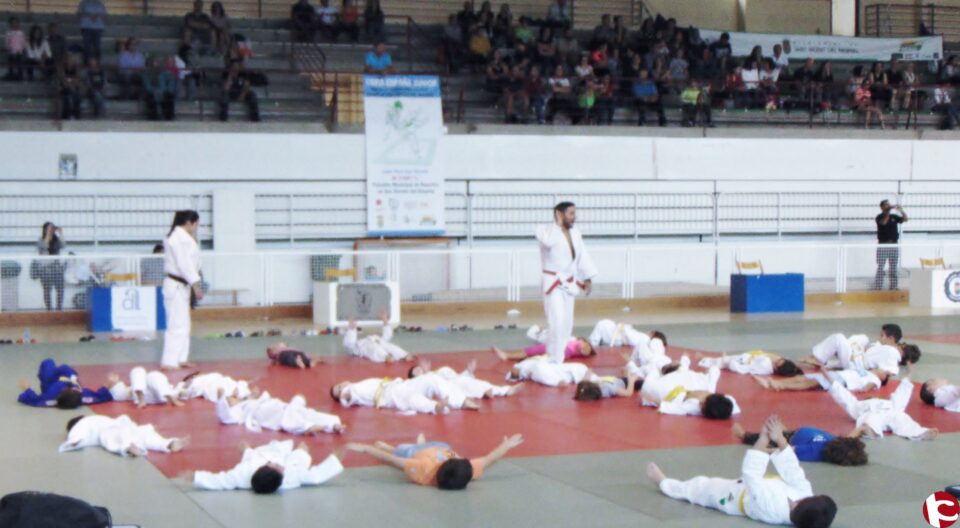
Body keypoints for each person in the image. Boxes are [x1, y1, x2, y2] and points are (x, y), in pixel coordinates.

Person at [647, 416, 838, 527]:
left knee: (700, 487)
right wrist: (779, 439)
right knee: (705, 484)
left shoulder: (772, 509)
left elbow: (752, 475)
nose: (801, 498)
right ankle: (668, 484)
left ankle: (665, 484)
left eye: (800, 503)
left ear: (798, 511)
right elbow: (793, 471)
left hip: (732, 498)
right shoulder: (805, 496)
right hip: (756, 484)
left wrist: (763, 439)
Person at [347, 433, 524, 490]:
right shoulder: (467, 471)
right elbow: (490, 459)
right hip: (442, 446)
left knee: (400, 450)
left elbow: (393, 461)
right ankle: (423, 442)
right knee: (438, 445)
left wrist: (367, 449)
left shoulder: (423, 470)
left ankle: (392, 445)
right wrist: (506, 445)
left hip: (417, 452)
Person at [538, 202, 597, 364]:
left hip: (570, 283)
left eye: (574, 213)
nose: (574, 217)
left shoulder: (576, 233)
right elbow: (549, 242)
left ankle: (558, 356)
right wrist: (557, 225)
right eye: (571, 213)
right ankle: (553, 359)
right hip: (553, 283)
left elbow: (582, 255)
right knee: (556, 321)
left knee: (566, 324)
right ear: (559, 214)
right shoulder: (544, 231)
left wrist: (587, 277)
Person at [189, 439, 343, 493]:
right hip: (290, 460)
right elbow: (316, 476)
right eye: (278, 468)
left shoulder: (242, 475)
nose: (276, 465)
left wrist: (194, 476)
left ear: (265, 467)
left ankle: (247, 449)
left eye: (273, 465)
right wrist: (339, 454)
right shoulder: (291, 478)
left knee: (246, 448)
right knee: (302, 450)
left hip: (258, 455)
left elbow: (218, 481)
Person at [828, 370, 937, 441]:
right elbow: (845, 397)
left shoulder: (890, 403)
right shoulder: (859, 404)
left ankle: (920, 432)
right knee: (870, 419)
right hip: (872, 412)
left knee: (903, 418)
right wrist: (832, 382)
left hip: (891, 411)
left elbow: (900, 396)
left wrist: (906, 380)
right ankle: (867, 430)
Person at [161, 210, 202, 370]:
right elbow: (184, 264)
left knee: (184, 324)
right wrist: (196, 284)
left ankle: (180, 358)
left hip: (182, 285)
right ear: (189, 222)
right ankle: (169, 361)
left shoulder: (182, 237)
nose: (196, 227)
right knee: (176, 324)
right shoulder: (177, 239)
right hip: (176, 284)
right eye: (196, 224)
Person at [732, 420, 867, 466]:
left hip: (789, 438)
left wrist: (763, 450)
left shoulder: (813, 452)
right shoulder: (837, 443)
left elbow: (786, 450)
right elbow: (850, 438)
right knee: (778, 426)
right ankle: (781, 430)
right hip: (795, 432)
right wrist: (859, 430)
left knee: (770, 434)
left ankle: (744, 436)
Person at [640, 355, 739, 418]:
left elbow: (674, 408)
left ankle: (652, 370)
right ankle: (679, 365)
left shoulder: (694, 407)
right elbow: (714, 370)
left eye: (702, 406)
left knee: (648, 384)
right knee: (667, 364)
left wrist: (651, 399)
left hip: (671, 392)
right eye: (703, 401)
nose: (700, 403)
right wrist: (707, 371)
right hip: (684, 383)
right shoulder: (715, 392)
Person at [217, 390, 345, 435]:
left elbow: (251, 396)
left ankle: (332, 424)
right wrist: (220, 397)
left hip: (276, 406)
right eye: (230, 400)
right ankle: (326, 426)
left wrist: (252, 395)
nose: (234, 399)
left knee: (305, 412)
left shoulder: (245, 402)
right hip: (265, 413)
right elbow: (223, 415)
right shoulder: (235, 412)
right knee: (291, 420)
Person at [60, 415, 185, 456]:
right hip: (124, 425)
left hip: (109, 430)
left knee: (111, 439)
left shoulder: (85, 422)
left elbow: (77, 432)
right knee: (143, 435)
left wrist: (74, 440)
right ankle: (167, 444)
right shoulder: (94, 418)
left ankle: (128, 447)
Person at [18, 358, 113, 408]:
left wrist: (27, 388)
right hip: (68, 379)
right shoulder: (83, 396)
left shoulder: (50, 397)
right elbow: (101, 396)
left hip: (51, 382)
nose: (75, 389)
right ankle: (69, 375)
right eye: (75, 390)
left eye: (72, 389)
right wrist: (109, 383)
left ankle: (45, 375)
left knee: (48, 362)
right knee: (66, 368)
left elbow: (34, 400)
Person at [330, 377, 453, 414]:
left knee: (430, 379)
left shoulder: (357, 383)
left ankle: (458, 401)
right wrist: (344, 394)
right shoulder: (353, 390)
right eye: (339, 391)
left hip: (396, 383)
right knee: (411, 399)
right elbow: (347, 397)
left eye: (339, 385)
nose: (342, 387)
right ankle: (436, 407)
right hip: (389, 394)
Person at [407, 359, 521, 399]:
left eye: (419, 368)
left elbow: (456, 376)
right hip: (450, 387)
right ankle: (503, 391)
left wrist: (469, 371)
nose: (419, 370)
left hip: (457, 380)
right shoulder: (423, 381)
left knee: (473, 383)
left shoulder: (439, 371)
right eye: (416, 371)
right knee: (469, 386)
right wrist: (427, 373)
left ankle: (492, 392)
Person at [342, 312, 411, 362]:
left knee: (389, 346)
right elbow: (349, 345)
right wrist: (351, 328)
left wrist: (385, 320)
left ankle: (404, 355)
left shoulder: (377, 339)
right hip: (363, 345)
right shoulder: (356, 346)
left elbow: (387, 334)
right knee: (374, 348)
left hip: (376, 340)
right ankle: (386, 357)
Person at [106, 367, 186, 408]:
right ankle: (141, 399)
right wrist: (113, 383)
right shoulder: (123, 391)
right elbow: (116, 394)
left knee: (150, 374)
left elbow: (183, 393)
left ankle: (141, 400)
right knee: (140, 371)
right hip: (147, 396)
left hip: (158, 395)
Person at [875, 199, 906, 290]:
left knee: (893, 267)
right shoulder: (879, 217)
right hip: (883, 244)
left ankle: (893, 286)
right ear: (881, 207)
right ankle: (878, 286)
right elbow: (883, 223)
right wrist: (887, 212)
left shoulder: (894, 216)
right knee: (881, 266)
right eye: (885, 205)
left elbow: (905, 219)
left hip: (894, 244)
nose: (888, 206)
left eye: (888, 205)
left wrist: (901, 210)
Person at [698, 350, 803, 377]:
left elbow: (746, 369)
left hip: (741, 362)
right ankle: (705, 360)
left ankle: (704, 361)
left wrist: (730, 362)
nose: (776, 359)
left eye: (778, 361)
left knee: (720, 362)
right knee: (721, 361)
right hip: (743, 360)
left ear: (777, 367)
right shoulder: (767, 366)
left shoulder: (765, 365)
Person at [504, 354, 589, 387]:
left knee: (576, 367)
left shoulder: (538, 357)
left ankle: (586, 376)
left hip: (551, 366)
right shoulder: (521, 364)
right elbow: (513, 373)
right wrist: (520, 373)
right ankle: (558, 382)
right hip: (535, 370)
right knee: (540, 372)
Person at [36, 222, 66, 310]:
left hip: (57, 268)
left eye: (53, 229)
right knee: (47, 291)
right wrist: (48, 234)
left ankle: (59, 309)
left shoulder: (56, 239)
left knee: (60, 290)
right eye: (49, 228)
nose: (52, 230)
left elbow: (64, 246)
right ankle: (49, 309)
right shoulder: (41, 240)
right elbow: (44, 246)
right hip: (46, 269)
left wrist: (61, 233)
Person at [181, 371, 254, 402]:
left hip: (219, 379)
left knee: (230, 382)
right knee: (222, 386)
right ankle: (238, 395)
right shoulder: (194, 380)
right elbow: (184, 390)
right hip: (210, 385)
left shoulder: (210, 375)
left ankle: (241, 395)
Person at [142, 56, 176, 121]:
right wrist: (155, 91)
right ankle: (153, 117)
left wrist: (166, 91)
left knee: (169, 96)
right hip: (152, 92)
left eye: (157, 62)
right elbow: (147, 86)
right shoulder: (146, 74)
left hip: (164, 91)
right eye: (155, 62)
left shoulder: (165, 73)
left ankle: (169, 117)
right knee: (150, 96)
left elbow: (171, 83)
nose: (156, 64)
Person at [574, 372, 641, 401]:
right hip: (626, 383)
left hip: (617, 380)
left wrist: (587, 375)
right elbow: (628, 393)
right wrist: (631, 380)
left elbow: (587, 377)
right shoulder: (608, 388)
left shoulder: (592, 390)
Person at [4, 17, 27, 81]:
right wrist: (11, 50)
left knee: (20, 59)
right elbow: (7, 44)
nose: (14, 24)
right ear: (10, 24)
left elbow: (23, 43)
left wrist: (20, 50)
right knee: (11, 58)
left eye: (16, 22)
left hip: (19, 52)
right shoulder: (8, 33)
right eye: (13, 23)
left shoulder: (21, 33)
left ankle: (20, 76)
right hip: (11, 52)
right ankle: (11, 75)